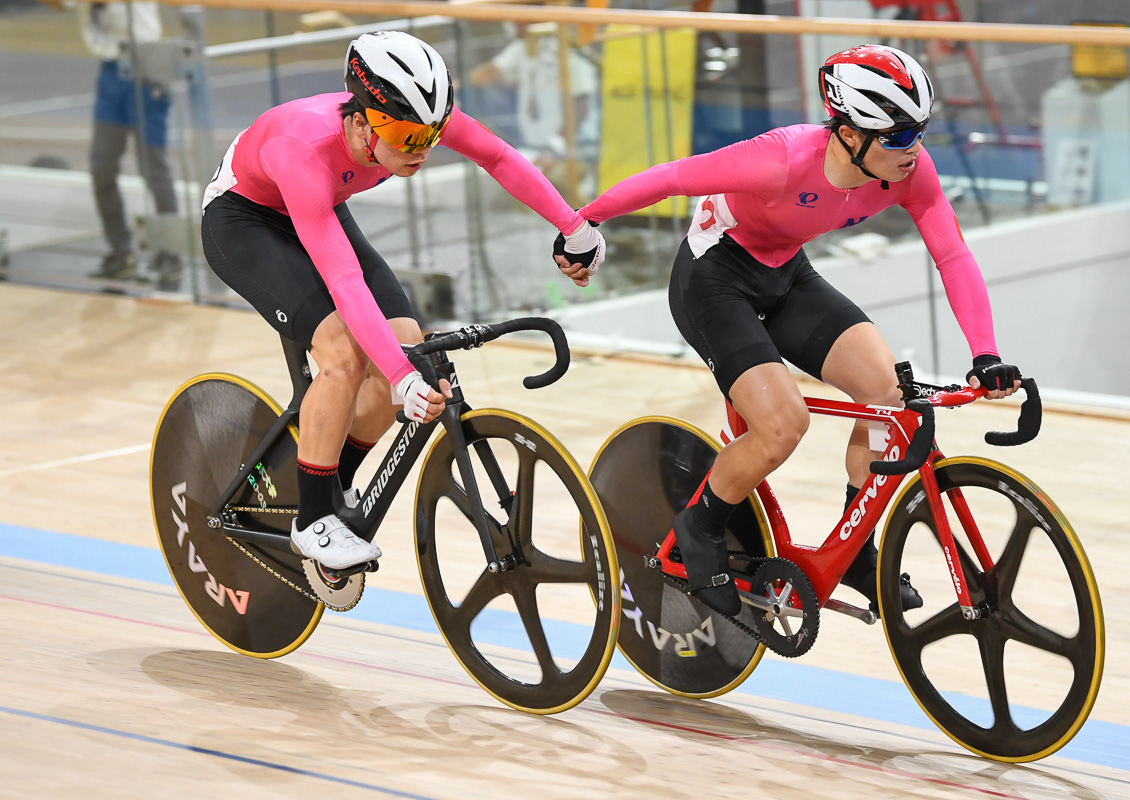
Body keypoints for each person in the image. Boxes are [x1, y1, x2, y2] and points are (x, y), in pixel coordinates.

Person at [555, 45, 1021, 617]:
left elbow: (950, 252)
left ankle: (855, 550)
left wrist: (986, 353)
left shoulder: (908, 169)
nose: (914, 151)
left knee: (887, 394)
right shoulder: (779, 158)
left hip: (785, 272)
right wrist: (582, 224)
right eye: (898, 137)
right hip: (713, 279)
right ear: (850, 134)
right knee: (783, 425)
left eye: (920, 132)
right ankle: (700, 530)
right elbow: (671, 177)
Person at [202, 31, 605, 571]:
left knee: (407, 347)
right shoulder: (303, 149)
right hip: (245, 221)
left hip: (319, 206)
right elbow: (346, 285)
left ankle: (330, 477)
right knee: (344, 356)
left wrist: (573, 225)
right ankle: (312, 519)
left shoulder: (415, 119)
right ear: (363, 121)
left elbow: (501, 158)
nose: (423, 151)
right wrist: (399, 376)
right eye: (408, 139)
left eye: (431, 137)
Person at [41, 0, 181, 288]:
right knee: (101, 166)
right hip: (111, 69)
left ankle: (171, 252)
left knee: (153, 168)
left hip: (147, 65)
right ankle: (121, 252)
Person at [469, 22, 600, 196]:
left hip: (574, 150)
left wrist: (553, 149)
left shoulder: (569, 50)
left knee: (558, 200)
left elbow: (580, 109)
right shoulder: (524, 46)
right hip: (535, 147)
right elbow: (490, 72)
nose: (512, 21)